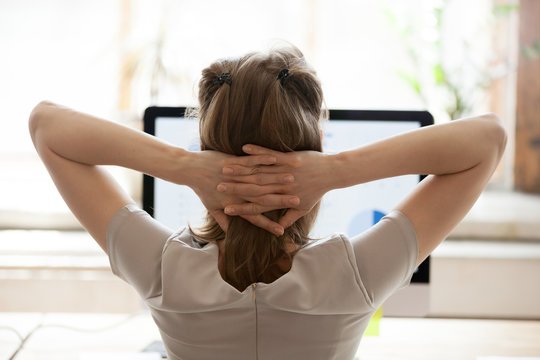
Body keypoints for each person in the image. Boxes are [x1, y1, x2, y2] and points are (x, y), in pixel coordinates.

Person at [29, 46, 507, 360]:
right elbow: (488, 139)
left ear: (207, 151)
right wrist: (339, 170)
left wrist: (184, 166)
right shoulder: (357, 274)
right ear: (313, 153)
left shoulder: (160, 269)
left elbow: (46, 126)